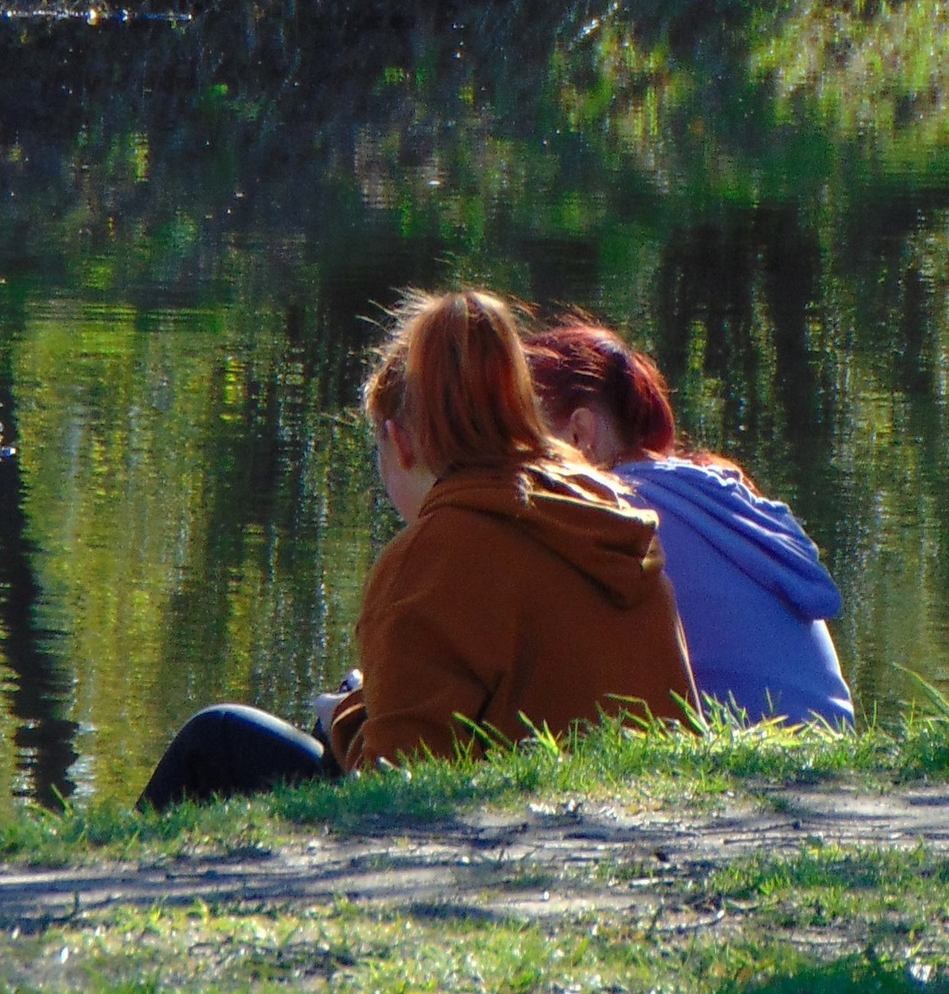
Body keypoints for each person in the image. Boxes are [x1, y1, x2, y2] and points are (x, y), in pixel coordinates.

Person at [140, 287, 698, 807]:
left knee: (216, 737)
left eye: (377, 451)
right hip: (641, 801)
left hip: (494, 828)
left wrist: (345, 718)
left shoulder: (434, 555)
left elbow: (394, 787)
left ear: (402, 442)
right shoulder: (608, 513)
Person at [523, 318, 855, 728]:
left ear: (578, 435)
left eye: (525, 438)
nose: (515, 464)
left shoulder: (611, 513)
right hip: (830, 748)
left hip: (740, 762)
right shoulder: (719, 498)